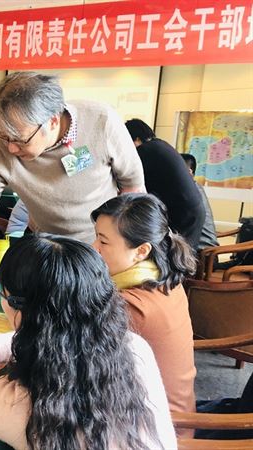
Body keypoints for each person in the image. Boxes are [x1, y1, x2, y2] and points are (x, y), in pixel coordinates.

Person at [0, 71, 145, 318]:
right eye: (4, 135)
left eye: (20, 140)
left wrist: (123, 256)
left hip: (101, 252)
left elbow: (134, 192)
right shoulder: (2, 146)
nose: (11, 148)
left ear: (53, 121)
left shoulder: (101, 121)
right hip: (50, 253)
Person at [0, 234, 176, 449]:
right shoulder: (134, 346)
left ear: (20, 311)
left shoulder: (26, 409)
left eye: (2, 292)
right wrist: (43, 331)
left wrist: (31, 333)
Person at [91, 193, 197, 436]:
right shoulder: (164, 278)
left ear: (141, 251)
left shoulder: (133, 306)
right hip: (178, 414)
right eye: (96, 236)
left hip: (156, 432)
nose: (94, 248)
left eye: (103, 242)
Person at [125, 118, 205, 251]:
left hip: (183, 213)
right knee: (181, 255)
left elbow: (135, 182)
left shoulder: (146, 150)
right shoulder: (160, 146)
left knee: (177, 255)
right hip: (190, 210)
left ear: (136, 139)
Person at [180, 153, 219, 251]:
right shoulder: (195, 187)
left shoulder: (189, 192)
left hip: (201, 251)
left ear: (189, 172)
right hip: (202, 248)